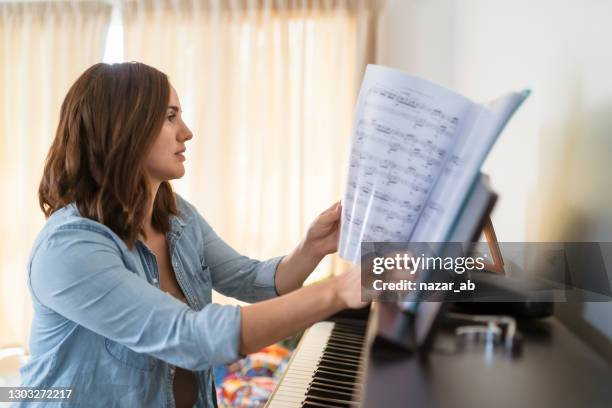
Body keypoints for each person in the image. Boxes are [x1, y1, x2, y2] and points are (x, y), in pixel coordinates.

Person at [16, 62, 365, 407]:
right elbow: (191, 338)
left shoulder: (176, 215)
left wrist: (312, 248)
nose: (186, 132)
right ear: (125, 129)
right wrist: (339, 290)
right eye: (170, 117)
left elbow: (251, 279)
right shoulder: (69, 248)